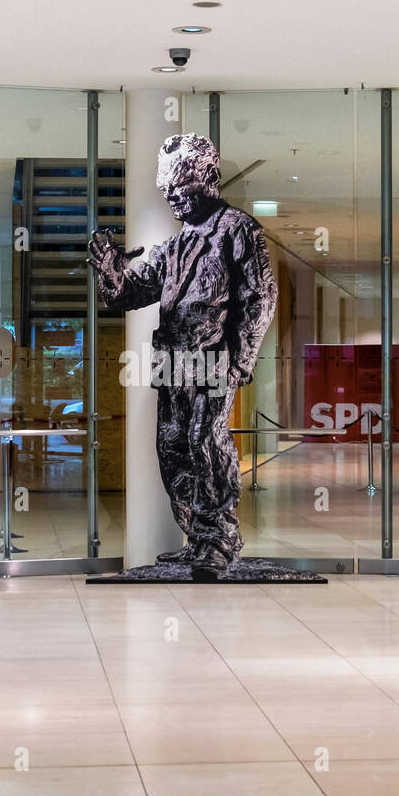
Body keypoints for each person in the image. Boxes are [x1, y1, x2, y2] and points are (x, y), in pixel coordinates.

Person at [88, 133, 276, 581]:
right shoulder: (173, 247)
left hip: (214, 359)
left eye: (182, 189)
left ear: (209, 177)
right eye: (168, 191)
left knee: (205, 443)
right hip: (172, 363)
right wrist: (111, 274)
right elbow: (131, 294)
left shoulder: (238, 229)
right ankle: (197, 538)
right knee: (171, 448)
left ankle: (218, 537)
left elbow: (260, 299)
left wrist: (239, 362)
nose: (173, 199)